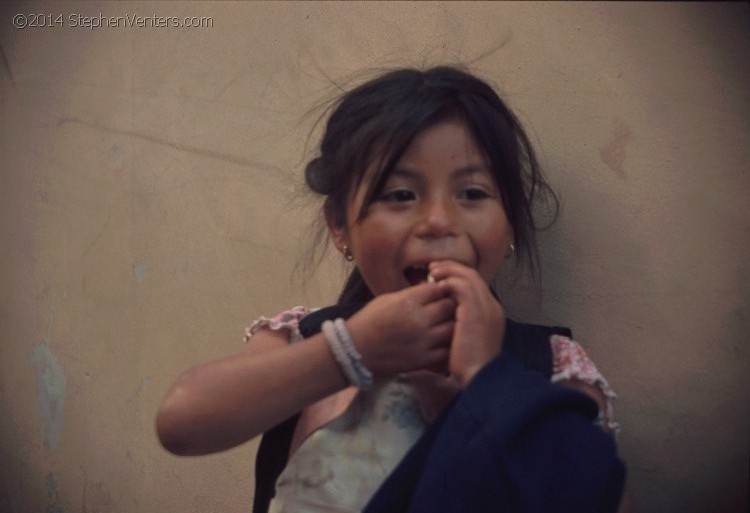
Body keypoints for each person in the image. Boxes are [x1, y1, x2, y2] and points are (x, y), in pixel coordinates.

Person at [156, 66, 627, 512]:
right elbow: (181, 424)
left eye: (474, 193)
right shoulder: (301, 338)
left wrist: (483, 384)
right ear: (340, 226)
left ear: (509, 228)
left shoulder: (554, 368)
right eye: (400, 194)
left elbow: (594, 497)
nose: (440, 221)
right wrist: (349, 351)